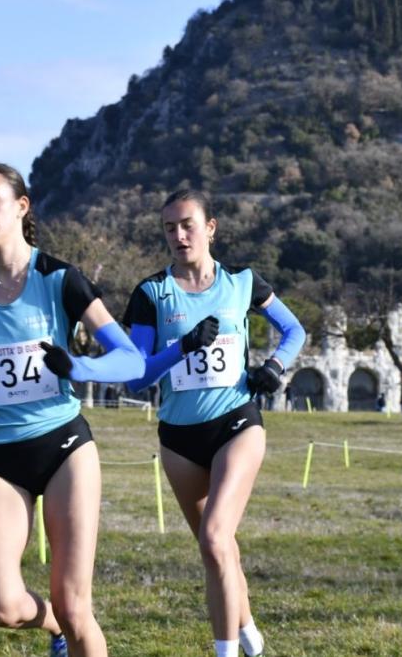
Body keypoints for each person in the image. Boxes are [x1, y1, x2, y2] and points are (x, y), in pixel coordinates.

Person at [0, 162, 143, 657]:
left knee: (76, 606)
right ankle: (51, 625)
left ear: (22, 206)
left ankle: (67, 623)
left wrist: (78, 367)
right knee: (1, 606)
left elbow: (130, 358)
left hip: (63, 447)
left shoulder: (60, 280)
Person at [122, 189, 306, 657]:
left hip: (236, 423)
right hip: (179, 438)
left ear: (210, 227)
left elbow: (295, 330)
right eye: (169, 228)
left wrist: (276, 366)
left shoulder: (243, 282)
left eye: (187, 224)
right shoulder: (150, 294)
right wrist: (180, 347)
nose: (178, 235)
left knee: (215, 536)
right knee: (216, 550)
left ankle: (226, 651)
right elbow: (137, 376)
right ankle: (247, 630)